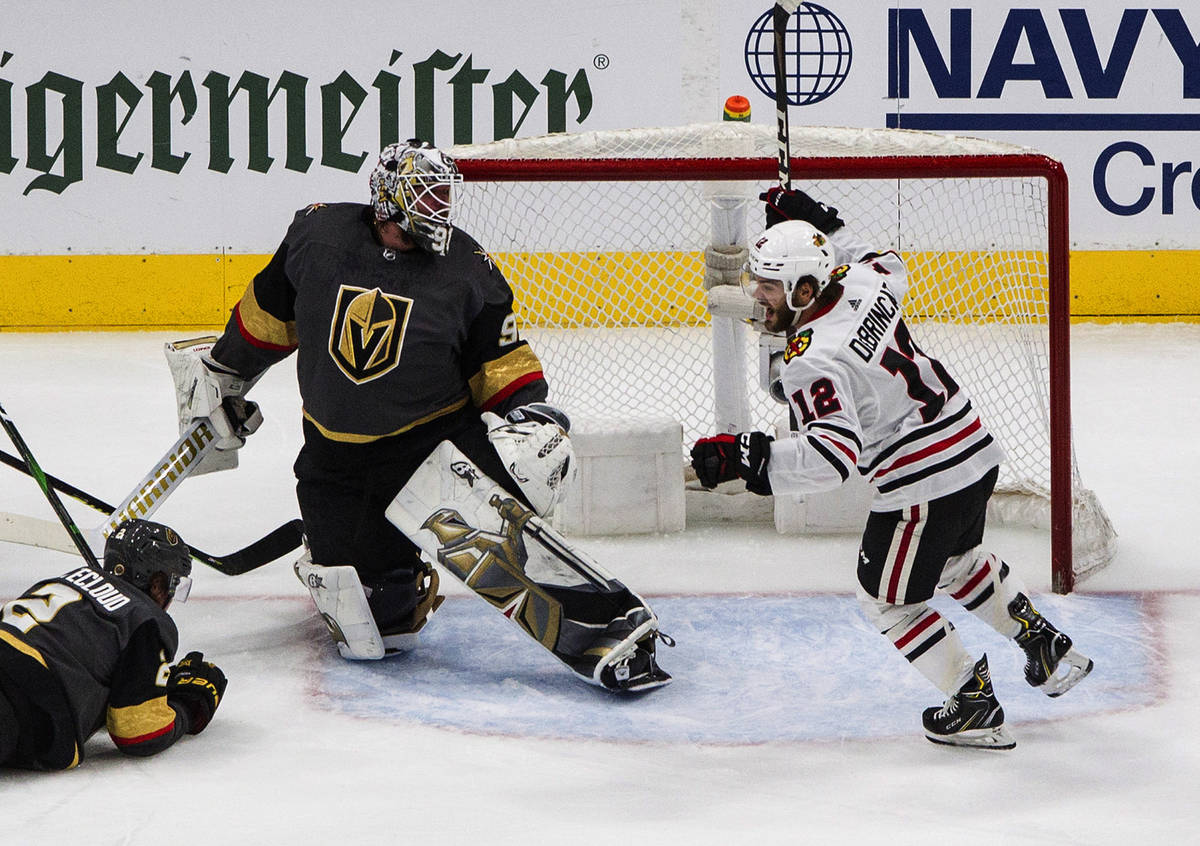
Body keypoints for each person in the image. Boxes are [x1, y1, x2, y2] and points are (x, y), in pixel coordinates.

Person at [177, 139, 666, 689]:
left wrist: (530, 414)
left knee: (512, 510)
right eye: (426, 195)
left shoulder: (468, 268)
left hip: (434, 446)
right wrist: (224, 373)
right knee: (379, 630)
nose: (439, 208)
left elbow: (499, 360)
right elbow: (268, 315)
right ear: (387, 198)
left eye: (442, 196)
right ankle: (386, 567)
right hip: (333, 457)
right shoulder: (317, 235)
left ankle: (607, 623)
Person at [690, 187, 1093, 748]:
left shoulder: (810, 358)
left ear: (806, 289)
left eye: (769, 285)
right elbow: (888, 261)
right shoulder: (862, 280)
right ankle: (1044, 645)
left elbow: (833, 457)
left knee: (886, 599)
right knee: (957, 562)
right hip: (973, 449)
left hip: (922, 484)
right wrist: (823, 225)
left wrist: (749, 460)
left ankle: (971, 702)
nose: (757, 297)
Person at [0, 519, 227, 770]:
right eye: (173, 585)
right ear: (156, 583)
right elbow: (138, 731)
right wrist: (187, 705)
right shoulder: (144, 618)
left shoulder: (62, 581)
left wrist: (150, 686)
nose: (171, 598)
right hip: (28, 697)